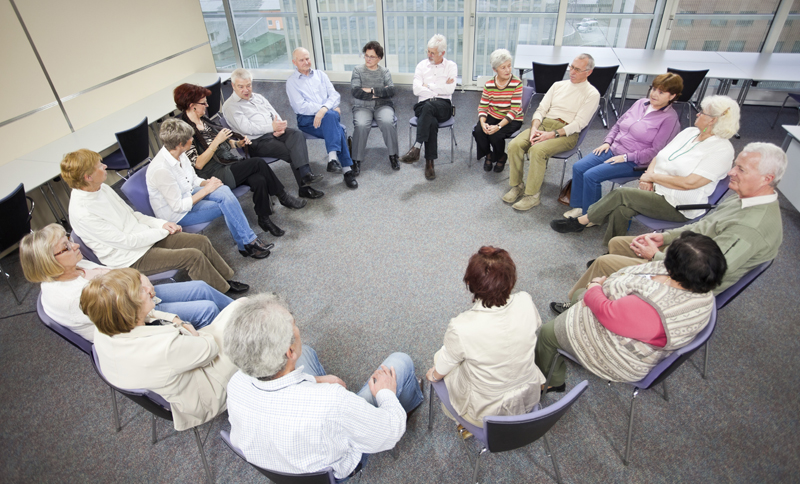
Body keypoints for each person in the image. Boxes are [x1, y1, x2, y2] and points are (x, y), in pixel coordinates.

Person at [551, 142, 786, 313]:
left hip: (690, 281)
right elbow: (704, 227)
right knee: (617, 243)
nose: (731, 173)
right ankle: (612, 291)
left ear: (767, 178)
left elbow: (707, 274)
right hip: (690, 254)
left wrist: (656, 256)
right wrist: (664, 238)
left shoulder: (751, 228)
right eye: (736, 166)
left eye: (741, 169)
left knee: (605, 261)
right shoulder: (744, 195)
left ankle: (577, 305)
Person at [223, 294, 424, 480]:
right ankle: (406, 404)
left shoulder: (236, 383)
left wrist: (317, 381)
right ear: (290, 351)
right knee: (400, 363)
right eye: (294, 324)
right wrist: (385, 393)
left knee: (307, 353)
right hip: (335, 467)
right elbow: (388, 433)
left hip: (281, 459)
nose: (298, 327)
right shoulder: (332, 402)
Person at [535, 232, 726, 390]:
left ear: (675, 269)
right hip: (626, 325)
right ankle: (578, 306)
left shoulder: (654, 309)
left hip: (621, 356)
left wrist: (595, 287)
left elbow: (606, 311)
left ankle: (552, 382)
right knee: (579, 294)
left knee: (546, 333)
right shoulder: (702, 289)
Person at [550, 95, 740, 247]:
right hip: (656, 190)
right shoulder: (689, 133)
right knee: (622, 209)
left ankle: (583, 221)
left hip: (677, 204)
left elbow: (690, 183)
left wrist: (652, 177)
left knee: (621, 194)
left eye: (702, 113)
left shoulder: (722, 150)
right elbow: (659, 156)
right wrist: (648, 179)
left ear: (713, 120)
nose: (697, 115)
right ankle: (613, 250)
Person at [62, 149, 248, 295]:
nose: (104, 166)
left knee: (200, 241)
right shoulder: (83, 212)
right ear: (88, 177)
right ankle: (221, 291)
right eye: (99, 165)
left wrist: (160, 224)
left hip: (145, 237)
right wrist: (161, 232)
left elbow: (133, 215)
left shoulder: (100, 188)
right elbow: (126, 242)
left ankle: (224, 280)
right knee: (192, 256)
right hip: (130, 257)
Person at [82, 268, 240, 431]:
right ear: (130, 308)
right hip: (205, 389)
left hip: (177, 373)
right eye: (141, 290)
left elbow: (150, 314)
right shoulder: (163, 348)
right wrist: (188, 327)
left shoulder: (104, 328)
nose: (149, 290)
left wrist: (176, 320)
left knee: (237, 310)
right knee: (244, 317)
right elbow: (210, 347)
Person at [19, 224, 233, 341]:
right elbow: (125, 320)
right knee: (206, 309)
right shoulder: (71, 296)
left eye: (70, 241)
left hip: (137, 296)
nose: (75, 247)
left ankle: (243, 317)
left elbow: (122, 272)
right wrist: (145, 294)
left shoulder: (74, 264)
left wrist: (143, 280)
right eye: (66, 247)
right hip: (134, 322)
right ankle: (236, 344)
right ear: (48, 262)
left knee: (201, 287)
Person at [425, 246, 545, 428]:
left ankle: (466, 423)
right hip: (527, 395)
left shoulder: (461, 327)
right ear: (511, 279)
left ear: (471, 284)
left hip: (486, 412)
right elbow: (535, 326)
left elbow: (445, 364)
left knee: (441, 358)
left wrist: (433, 375)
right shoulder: (526, 300)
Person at [175, 83, 306, 238]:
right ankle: (282, 196)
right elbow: (198, 163)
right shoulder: (184, 130)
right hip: (213, 174)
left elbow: (224, 143)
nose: (207, 105)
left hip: (227, 163)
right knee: (257, 162)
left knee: (258, 179)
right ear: (192, 106)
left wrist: (238, 144)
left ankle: (264, 219)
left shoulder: (204, 121)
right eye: (203, 103)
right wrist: (216, 141)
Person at [146, 118, 273, 259]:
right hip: (177, 214)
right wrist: (207, 190)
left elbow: (193, 180)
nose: (192, 140)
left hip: (187, 194)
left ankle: (246, 244)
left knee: (224, 190)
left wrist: (208, 183)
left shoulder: (179, 154)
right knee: (227, 204)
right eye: (190, 138)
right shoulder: (161, 170)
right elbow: (178, 206)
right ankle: (248, 242)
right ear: (181, 144)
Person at [563, 73, 683, 218]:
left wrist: (626, 157)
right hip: (613, 149)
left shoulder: (669, 119)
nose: (654, 94)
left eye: (661, 92)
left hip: (636, 161)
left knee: (591, 175)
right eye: (654, 89)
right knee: (579, 167)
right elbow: (619, 124)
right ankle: (579, 206)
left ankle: (592, 215)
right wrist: (608, 142)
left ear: (672, 96)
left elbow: (656, 151)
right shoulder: (640, 103)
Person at [503, 54, 600, 211]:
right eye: (572, 67)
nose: (572, 72)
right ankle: (517, 185)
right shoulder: (558, 85)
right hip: (544, 124)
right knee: (515, 145)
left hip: (566, 133)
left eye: (577, 69)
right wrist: (534, 127)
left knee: (537, 150)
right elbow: (541, 110)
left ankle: (532, 196)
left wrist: (552, 134)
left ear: (589, 72)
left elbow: (579, 124)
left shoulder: (592, 94)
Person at [221, 68, 325, 200]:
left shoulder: (258, 97)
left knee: (297, 135)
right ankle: (304, 187)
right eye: (241, 87)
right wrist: (271, 128)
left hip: (272, 131)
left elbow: (273, 113)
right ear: (233, 86)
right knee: (292, 151)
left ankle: (306, 175)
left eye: (248, 85)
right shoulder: (230, 106)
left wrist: (279, 126)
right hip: (255, 142)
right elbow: (247, 128)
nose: (246, 90)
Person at [287, 47, 358, 189]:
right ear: (295, 62)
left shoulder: (320, 75)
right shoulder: (291, 82)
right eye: (301, 60)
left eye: (307, 58)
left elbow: (335, 96)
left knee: (332, 120)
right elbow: (301, 107)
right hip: (307, 120)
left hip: (327, 116)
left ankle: (333, 160)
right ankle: (346, 169)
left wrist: (324, 110)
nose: (306, 62)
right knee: (336, 125)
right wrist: (325, 108)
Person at [399, 34, 458, 181]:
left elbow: (450, 90)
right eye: (428, 51)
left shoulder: (451, 66)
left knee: (430, 107)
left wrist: (429, 86)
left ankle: (416, 148)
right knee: (430, 119)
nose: (429, 55)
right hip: (423, 105)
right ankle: (429, 163)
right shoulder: (421, 66)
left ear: (442, 53)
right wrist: (440, 87)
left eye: (433, 53)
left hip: (443, 106)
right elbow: (416, 90)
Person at [350, 41, 400, 171]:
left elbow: (391, 91)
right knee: (361, 125)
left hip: (383, 105)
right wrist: (379, 91)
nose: (368, 59)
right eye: (366, 55)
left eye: (372, 57)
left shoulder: (384, 72)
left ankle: (393, 155)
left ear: (379, 58)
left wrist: (370, 90)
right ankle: (356, 159)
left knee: (388, 122)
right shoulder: (357, 70)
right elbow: (356, 91)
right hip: (362, 106)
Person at [473, 49, 524, 174]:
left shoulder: (517, 83)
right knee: (479, 131)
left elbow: (514, 110)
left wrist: (498, 126)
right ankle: (489, 155)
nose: (508, 70)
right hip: (493, 114)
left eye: (509, 66)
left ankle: (501, 156)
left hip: (513, 118)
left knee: (495, 134)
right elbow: (483, 107)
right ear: (495, 69)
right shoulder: (489, 84)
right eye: (503, 67)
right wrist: (483, 122)